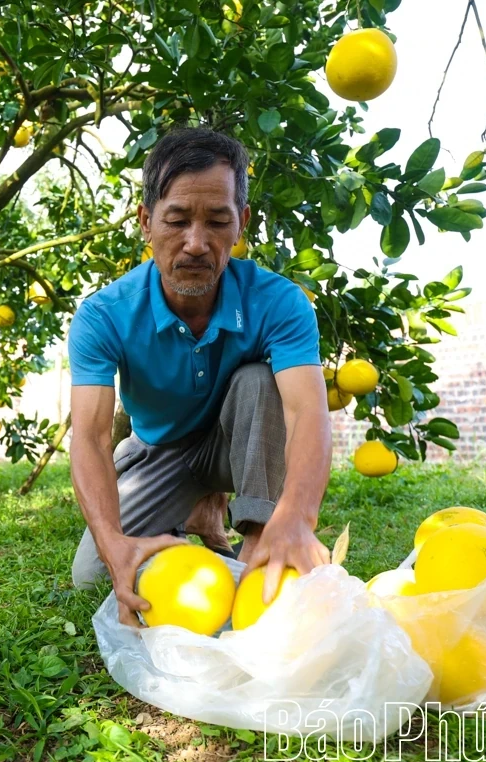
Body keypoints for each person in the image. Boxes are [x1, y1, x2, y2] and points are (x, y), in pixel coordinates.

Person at [67, 127, 333, 627]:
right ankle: (199, 512)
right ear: (146, 221)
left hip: (237, 445)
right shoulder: (103, 315)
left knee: (259, 380)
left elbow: (306, 412)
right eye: (176, 220)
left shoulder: (279, 302)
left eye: (217, 221)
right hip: (159, 453)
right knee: (93, 575)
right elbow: (90, 437)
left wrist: (296, 516)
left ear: (241, 224)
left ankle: (258, 537)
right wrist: (112, 542)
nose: (195, 243)